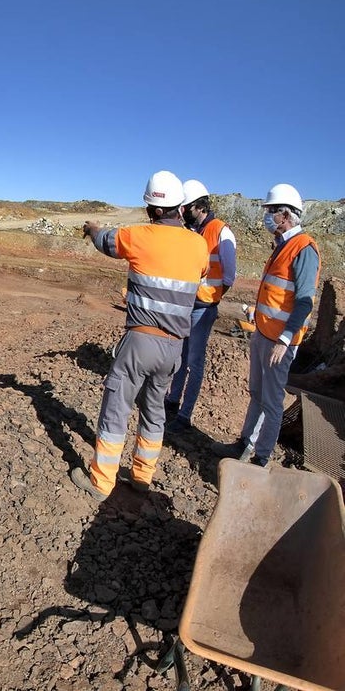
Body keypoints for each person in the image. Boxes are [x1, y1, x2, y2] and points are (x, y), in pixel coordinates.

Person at [70, 171, 209, 501]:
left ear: (157, 211)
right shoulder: (199, 244)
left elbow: (105, 241)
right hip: (174, 348)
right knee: (154, 411)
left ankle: (102, 482)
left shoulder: (139, 235)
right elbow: (200, 273)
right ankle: (142, 477)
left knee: (116, 407)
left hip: (140, 342)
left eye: (148, 208)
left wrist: (91, 229)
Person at [212, 184, 321, 466]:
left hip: (280, 343)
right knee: (257, 394)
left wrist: (285, 340)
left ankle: (260, 459)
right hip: (263, 333)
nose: (266, 217)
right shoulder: (282, 246)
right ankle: (243, 446)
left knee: (272, 403)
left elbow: (305, 301)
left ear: (285, 215)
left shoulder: (303, 249)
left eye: (270, 212)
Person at [164, 180, 238, 434]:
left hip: (203, 307)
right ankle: (172, 401)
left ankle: (184, 416)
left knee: (195, 361)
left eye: (186, 208)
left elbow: (228, 277)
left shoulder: (221, 232)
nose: (183, 212)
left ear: (199, 206)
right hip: (187, 304)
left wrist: (212, 298)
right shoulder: (194, 231)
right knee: (180, 356)